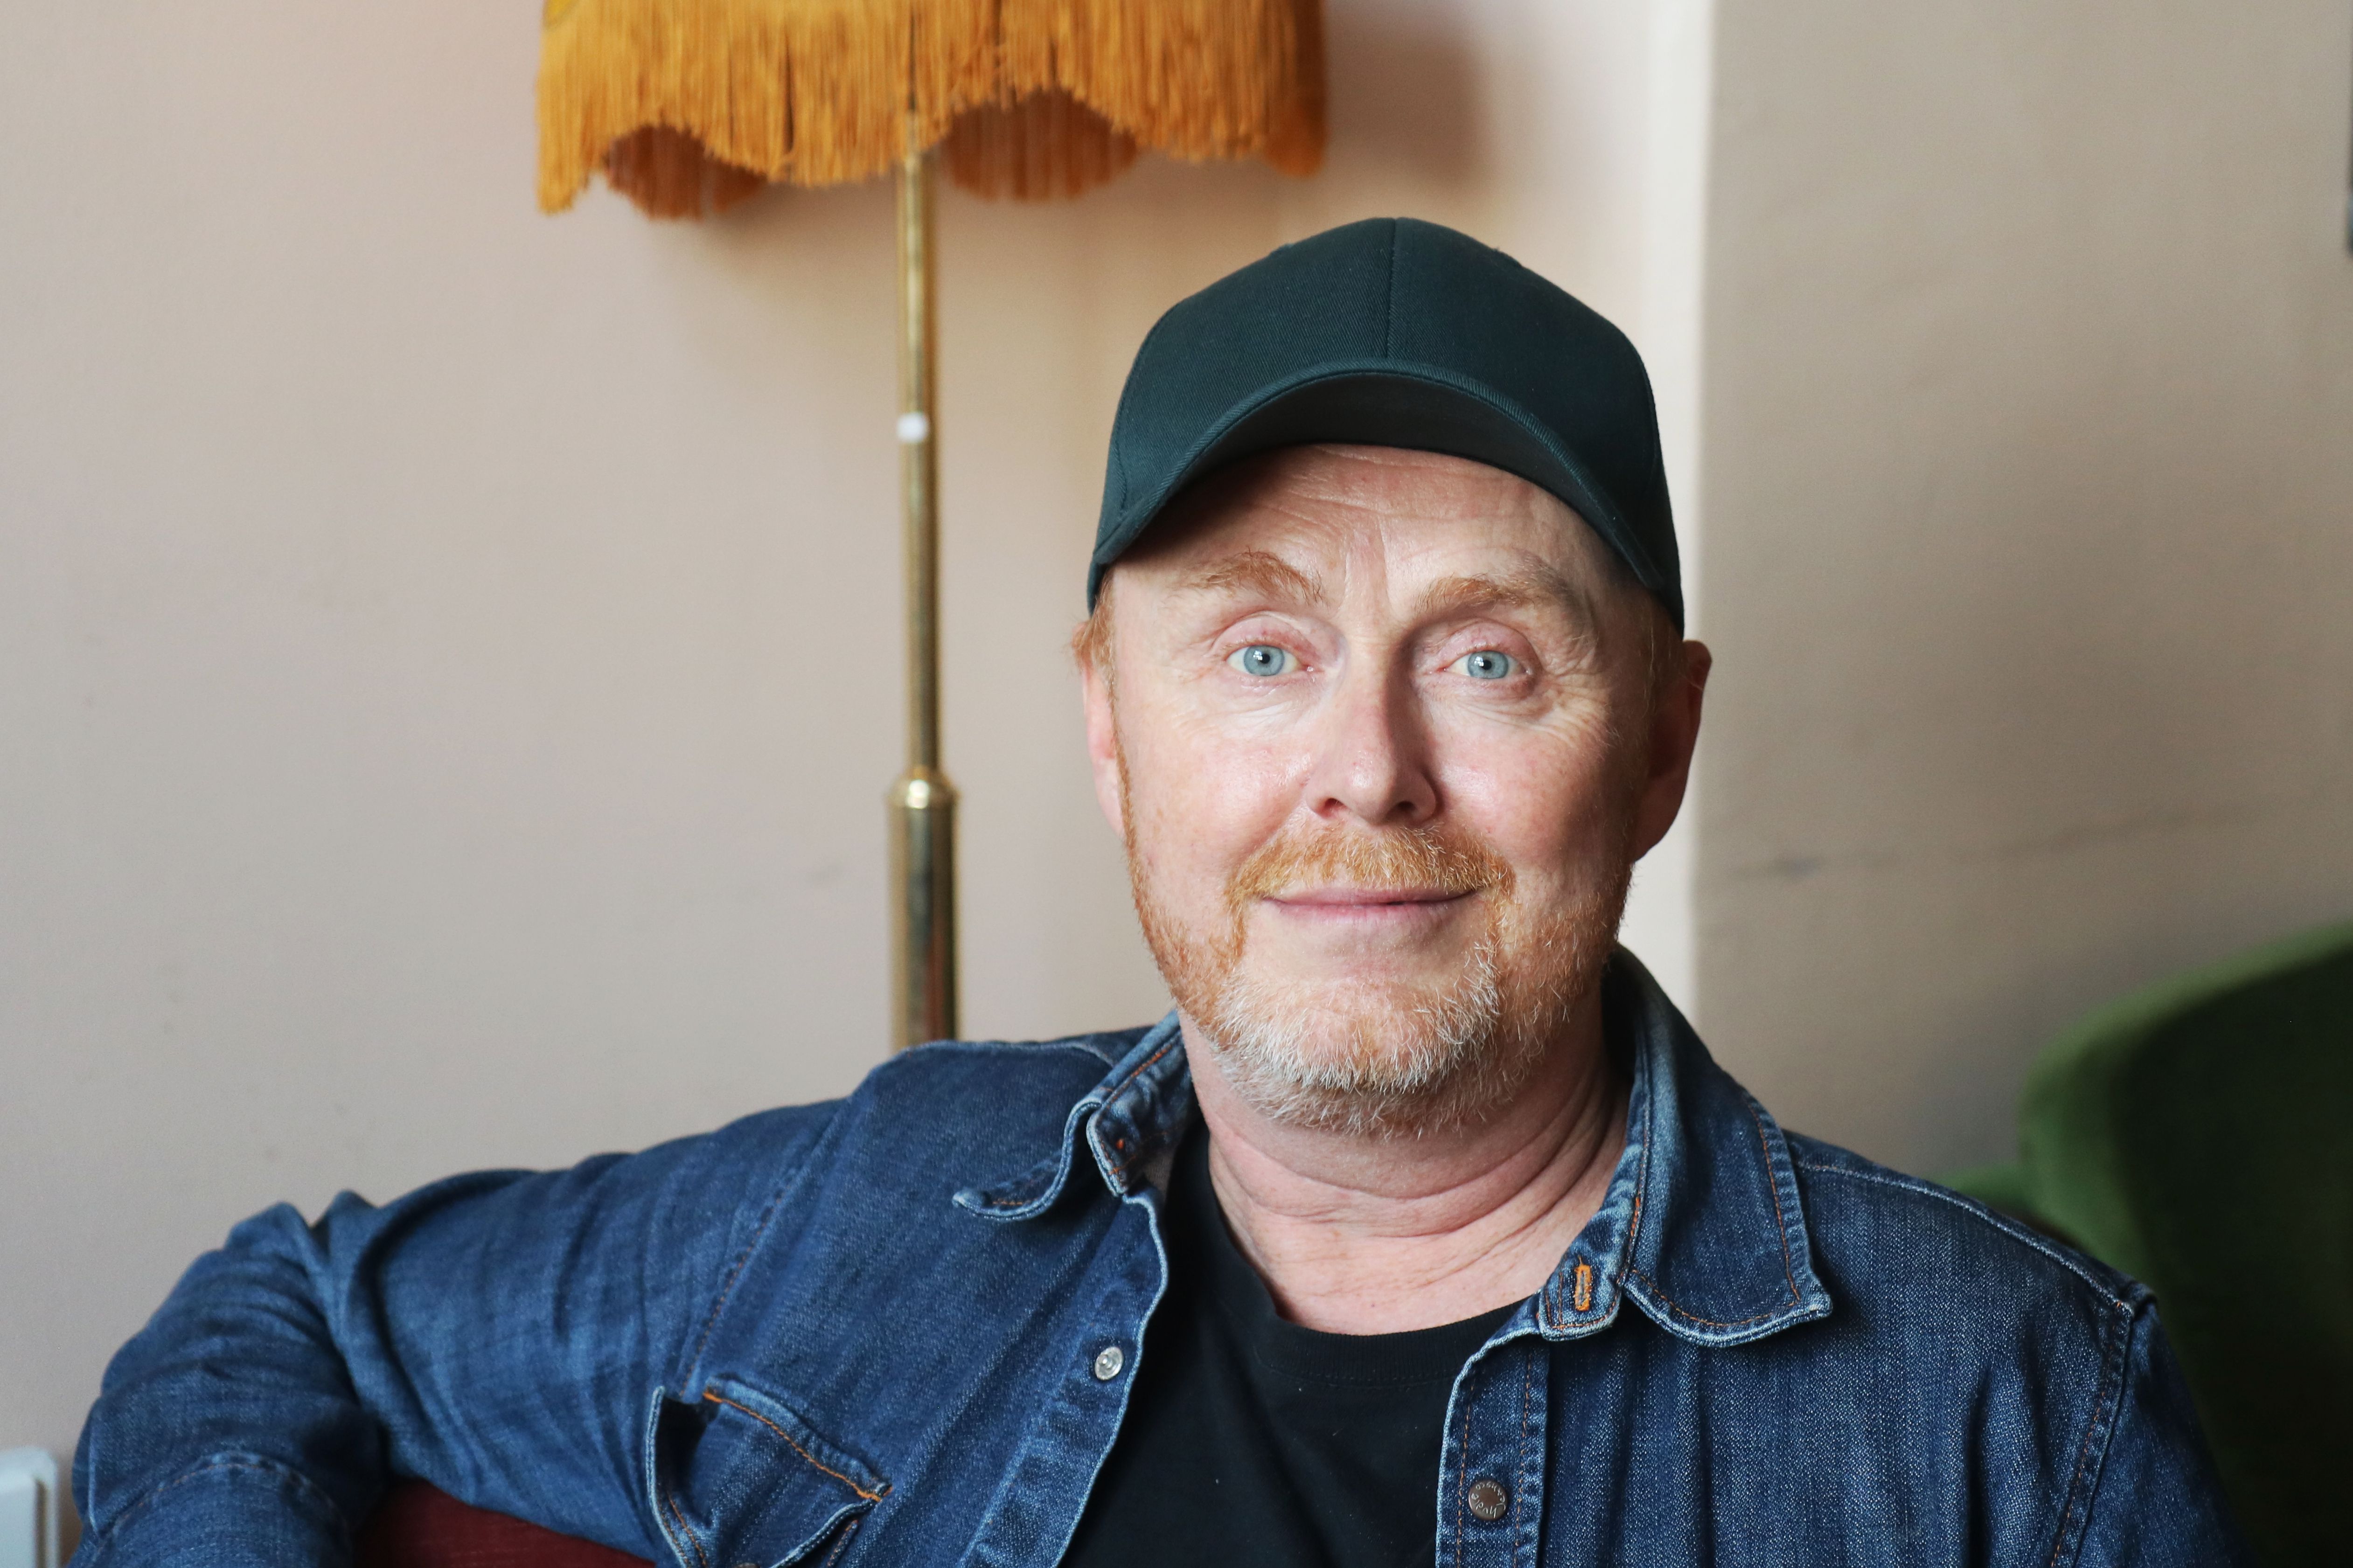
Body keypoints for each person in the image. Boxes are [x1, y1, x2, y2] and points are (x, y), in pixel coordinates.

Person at [70, 218, 2247, 1568]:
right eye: (1262, 653)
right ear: (1112, 730)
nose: (1365, 766)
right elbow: (287, 1304)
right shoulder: (876, 1211)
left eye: (1490, 659)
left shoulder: (2006, 1414)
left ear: (1661, 741)